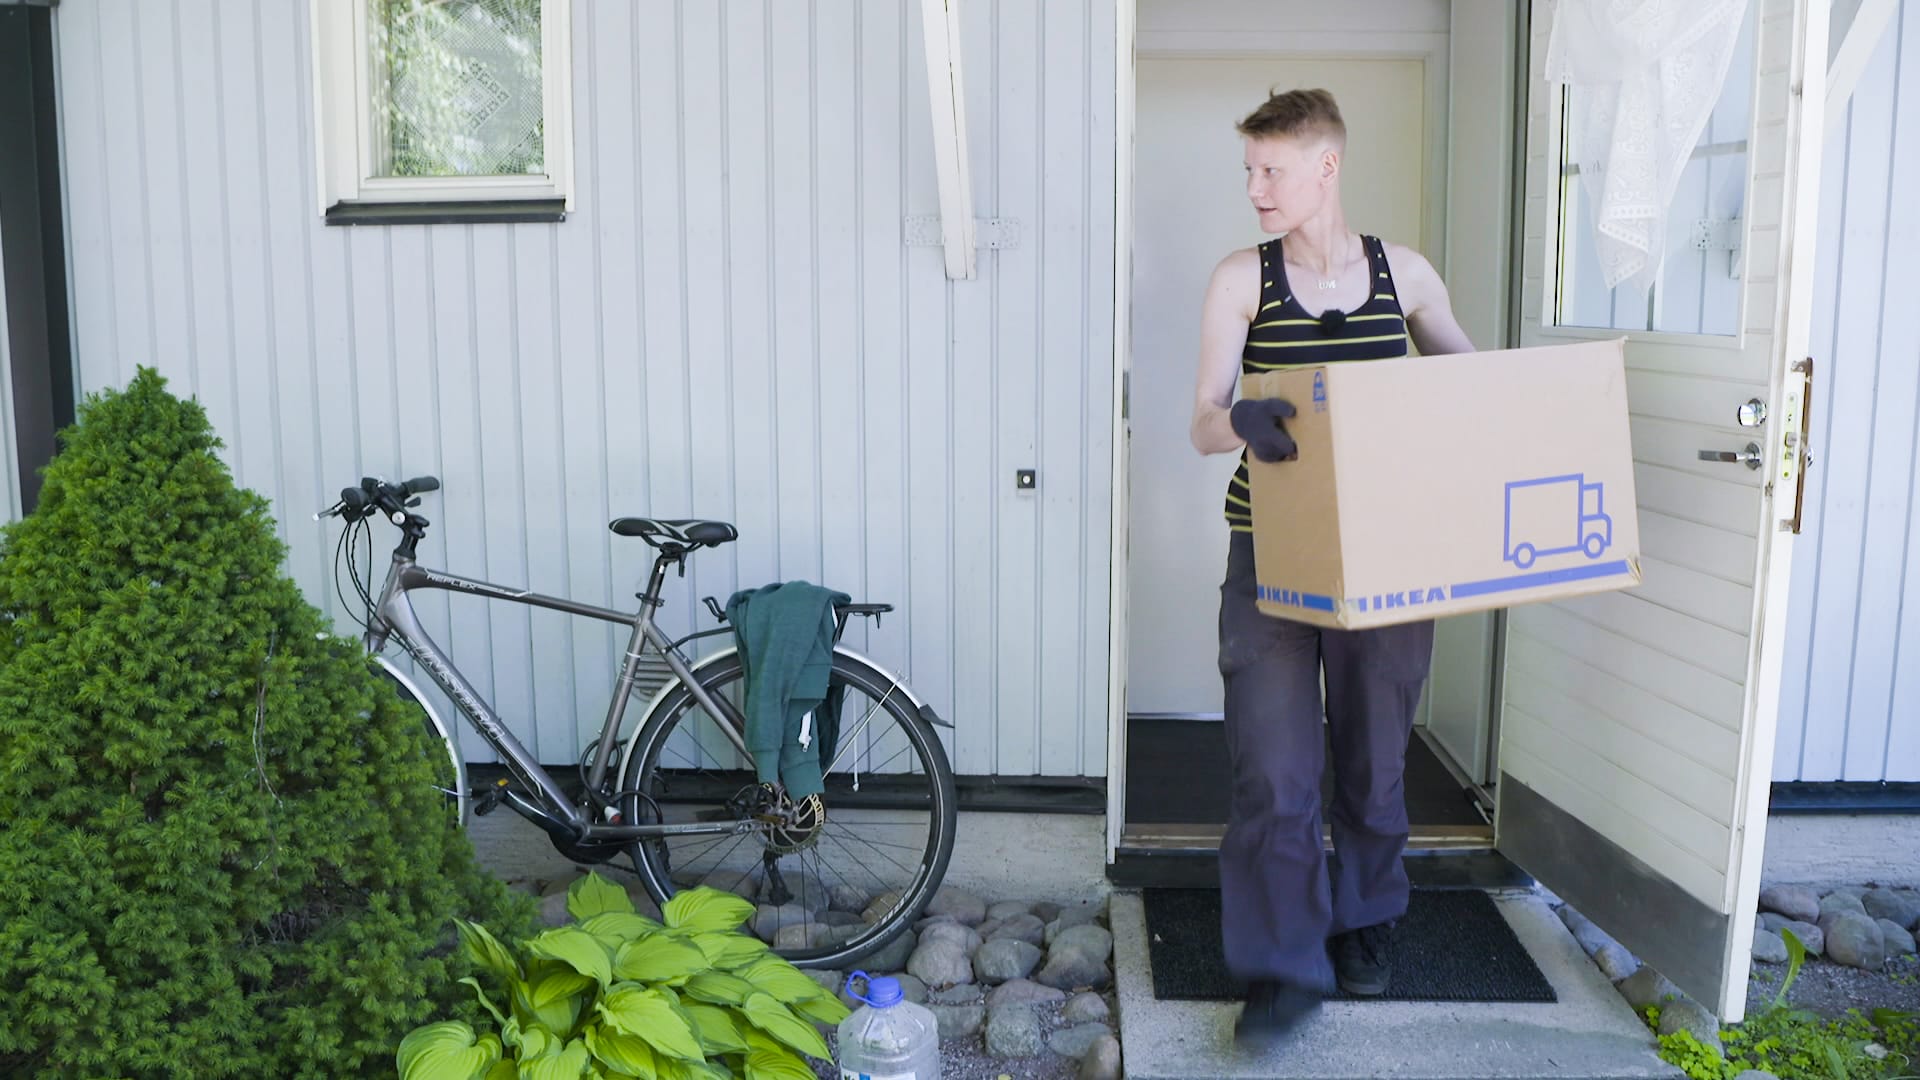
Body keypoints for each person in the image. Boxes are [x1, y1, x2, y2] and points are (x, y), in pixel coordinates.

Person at [1187, 87, 1476, 1048]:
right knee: (1273, 768)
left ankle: (1365, 920)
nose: (1255, 188)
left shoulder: (1407, 275)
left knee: (1374, 761)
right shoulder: (1243, 279)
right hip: (1269, 555)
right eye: (1248, 170)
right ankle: (1280, 966)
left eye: (1271, 170)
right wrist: (1240, 420)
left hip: (1387, 553)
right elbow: (1201, 420)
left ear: (1326, 166)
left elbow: (1476, 393)